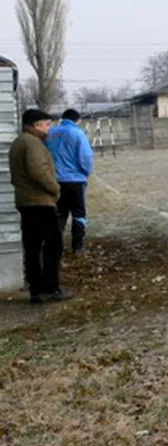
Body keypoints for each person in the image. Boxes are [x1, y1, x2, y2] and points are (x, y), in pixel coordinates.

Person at [9, 110, 73, 303]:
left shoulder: (21, 141)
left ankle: (35, 289)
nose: (49, 127)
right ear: (35, 125)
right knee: (52, 245)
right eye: (46, 124)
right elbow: (38, 170)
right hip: (39, 202)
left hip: (27, 201)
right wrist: (55, 189)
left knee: (33, 246)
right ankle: (50, 288)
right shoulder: (33, 143)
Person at [47, 109, 94, 255]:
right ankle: (78, 246)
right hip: (75, 180)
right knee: (78, 214)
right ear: (77, 120)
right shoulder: (78, 134)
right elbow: (85, 157)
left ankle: (54, 246)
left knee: (59, 213)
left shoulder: (51, 133)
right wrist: (86, 172)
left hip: (55, 180)